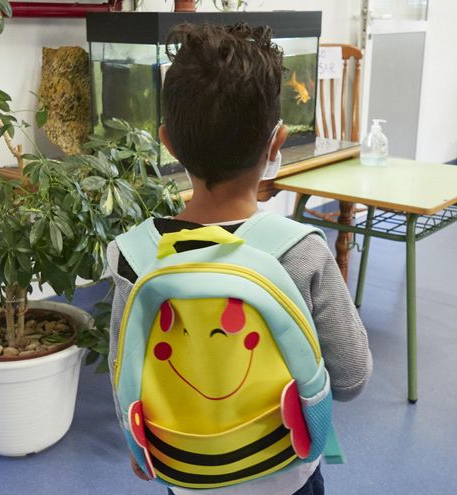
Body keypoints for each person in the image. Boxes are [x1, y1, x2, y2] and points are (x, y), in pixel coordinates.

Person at [106, 22, 372, 495]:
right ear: (277, 143)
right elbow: (352, 377)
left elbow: (121, 371)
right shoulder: (298, 250)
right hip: (287, 475)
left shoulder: (133, 256)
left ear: (167, 142)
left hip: (186, 476)